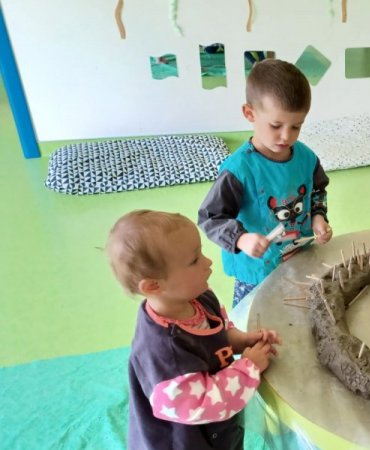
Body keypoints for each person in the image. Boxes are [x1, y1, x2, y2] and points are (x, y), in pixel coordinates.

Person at [106, 210, 282, 450]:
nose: (208, 262)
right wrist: (248, 368)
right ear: (154, 285)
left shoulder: (199, 298)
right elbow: (203, 403)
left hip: (219, 433)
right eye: (194, 260)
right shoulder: (164, 354)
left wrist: (243, 341)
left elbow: (218, 334)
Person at [198, 58, 332, 307]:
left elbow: (317, 191)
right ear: (250, 113)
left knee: (301, 315)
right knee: (256, 326)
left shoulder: (305, 157)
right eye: (276, 125)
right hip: (257, 270)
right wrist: (241, 239)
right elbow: (210, 217)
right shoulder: (238, 170)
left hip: (299, 257)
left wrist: (318, 217)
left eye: (296, 127)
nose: (286, 136)